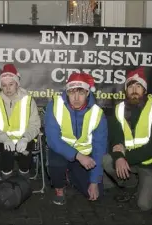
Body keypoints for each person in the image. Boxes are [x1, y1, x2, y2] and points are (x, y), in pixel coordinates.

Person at [103, 68, 152, 211]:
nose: (134, 90)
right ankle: (131, 185)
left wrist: (124, 157)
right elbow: (115, 139)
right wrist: (118, 157)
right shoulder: (119, 109)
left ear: (144, 90)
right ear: (126, 91)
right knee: (107, 161)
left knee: (144, 206)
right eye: (131, 86)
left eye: (138, 86)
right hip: (131, 161)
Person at [45, 72, 108, 205]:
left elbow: (99, 148)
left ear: (87, 93)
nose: (76, 98)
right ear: (67, 93)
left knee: (97, 194)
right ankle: (59, 189)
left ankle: (71, 176)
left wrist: (94, 181)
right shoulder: (54, 106)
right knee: (56, 162)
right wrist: (78, 156)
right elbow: (52, 139)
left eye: (81, 93)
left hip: (85, 155)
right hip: (62, 152)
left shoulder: (98, 114)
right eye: (72, 92)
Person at [0, 64, 41, 180]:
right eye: (4, 85)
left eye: (11, 84)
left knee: (26, 152)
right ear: (0, 87)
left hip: (25, 138)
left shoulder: (28, 100)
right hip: (4, 139)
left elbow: (35, 124)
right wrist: (4, 138)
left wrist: (25, 138)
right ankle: (7, 182)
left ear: (17, 84)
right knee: (6, 154)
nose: (8, 88)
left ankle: (24, 177)